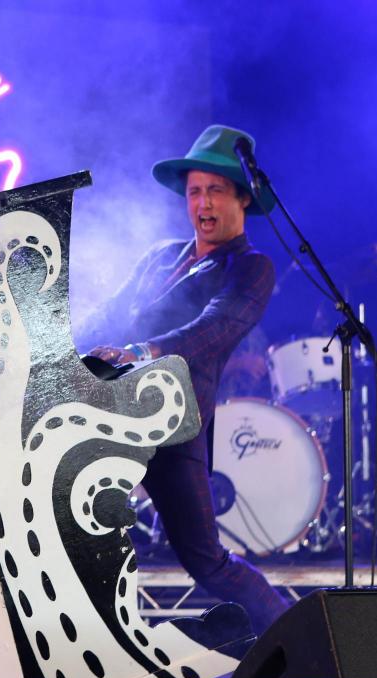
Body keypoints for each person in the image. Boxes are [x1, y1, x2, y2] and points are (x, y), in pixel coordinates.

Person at [88, 124, 290, 635]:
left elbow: (215, 327)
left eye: (216, 190)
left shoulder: (250, 267)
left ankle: (295, 638)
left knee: (205, 561)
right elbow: (108, 313)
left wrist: (142, 351)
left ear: (243, 198)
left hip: (173, 425)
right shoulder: (161, 256)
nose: (203, 202)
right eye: (195, 191)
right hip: (112, 411)